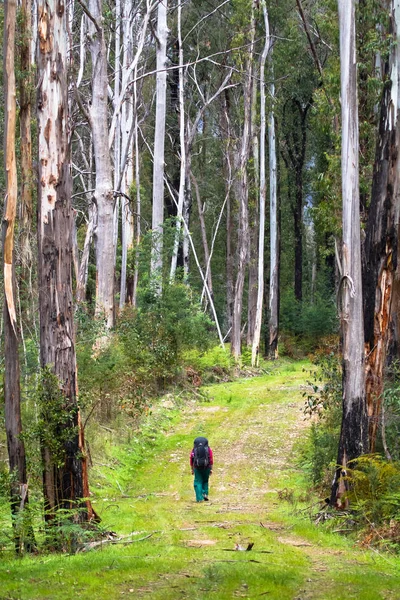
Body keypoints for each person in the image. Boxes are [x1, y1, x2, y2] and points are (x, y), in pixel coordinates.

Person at [190, 436, 213, 502]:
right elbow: (211, 459)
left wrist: (192, 468)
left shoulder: (194, 450)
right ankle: (205, 494)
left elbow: (191, 459)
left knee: (198, 481)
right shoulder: (208, 449)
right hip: (207, 467)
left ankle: (199, 498)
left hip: (197, 467)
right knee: (205, 481)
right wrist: (211, 468)